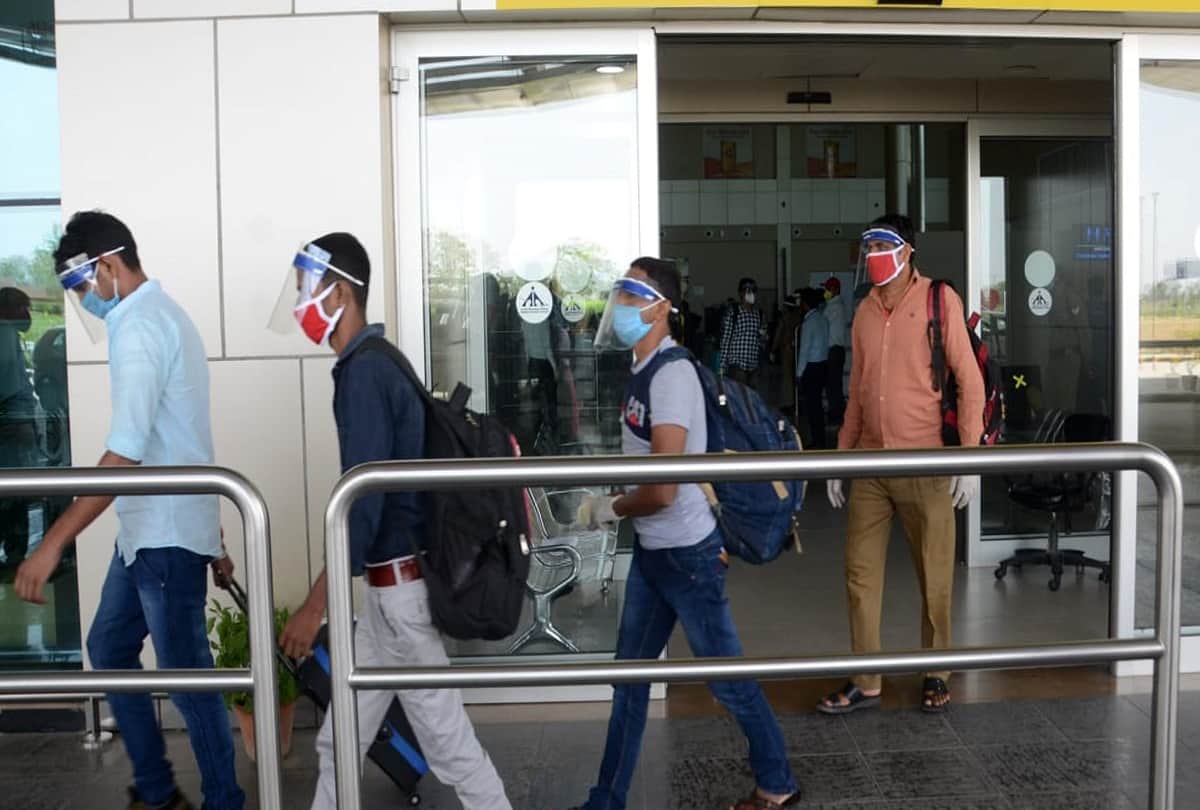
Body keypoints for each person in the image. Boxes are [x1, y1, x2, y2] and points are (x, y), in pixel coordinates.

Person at [273, 233, 511, 810]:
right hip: (386, 598)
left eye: (306, 287)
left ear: (340, 293)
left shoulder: (365, 373)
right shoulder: (375, 364)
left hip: (399, 596)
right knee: (339, 739)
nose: (300, 300)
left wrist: (314, 606)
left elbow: (363, 501)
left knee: (449, 746)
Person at [14, 211, 242, 810]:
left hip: (163, 534)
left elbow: (127, 454)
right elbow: (185, 436)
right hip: (151, 530)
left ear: (108, 267)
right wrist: (214, 537)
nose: (83, 300)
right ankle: (159, 791)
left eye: (81, 286)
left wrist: (53, 541)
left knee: (188, 682)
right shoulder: (165, 315)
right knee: (111, 647)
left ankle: (225, 802)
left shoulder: (140, 328)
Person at [568, 258, 800, 810]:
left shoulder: (671, 375)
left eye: (632, 294)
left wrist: (608, 509)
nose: (621, 304)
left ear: (660, 307)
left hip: (690, 555)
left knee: (726, 682)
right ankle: (606, 800)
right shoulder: (642, 370)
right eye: (620, 293)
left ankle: (778, 782)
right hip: (656, 554)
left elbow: (664, 489)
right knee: (629, 682)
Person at [818, 214, 983, 716]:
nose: (874, 255)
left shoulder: (939, 300)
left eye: (884, 245)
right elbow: (857, 392)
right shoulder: (864, 312)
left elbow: (969, 380)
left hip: (926, 462)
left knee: (934, 577)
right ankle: (866, 680)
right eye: (868, 246)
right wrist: (841, 459)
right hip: (871, 466)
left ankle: (936, 671)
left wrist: (970, 460)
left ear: (908, 250)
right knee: (859, 576)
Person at [0, 287, 39, 571]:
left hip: (15, 421)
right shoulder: (3, 334)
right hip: (11, 425)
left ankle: (14, 556)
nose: (26, 316)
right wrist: (22, 423)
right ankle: (14, 557)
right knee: (14, 493)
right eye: (21, 309)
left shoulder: (9, 335)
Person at [795, 288, 830, 450]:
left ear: (805, 304)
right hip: (823, 365)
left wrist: (799, 374)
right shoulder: (823, 319)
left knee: (812, 407)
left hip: (811, 368)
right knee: (817, 406)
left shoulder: (808, 324)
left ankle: (816, 441)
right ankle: (821, 439)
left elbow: (804, 350)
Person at [720, 276, 767, 389]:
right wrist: (722, 365)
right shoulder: (733, 313)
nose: (750, 293)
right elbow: (726, 340)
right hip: (737, 364)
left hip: (753, 365)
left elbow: (762, 340)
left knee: (751, 398)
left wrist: (763, 336)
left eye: (753, 290)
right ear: (740, 293)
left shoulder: (759, 314)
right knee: (739, 397)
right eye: (747, 290)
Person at [822, 277, 849, 426]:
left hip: (834, 350)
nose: (825, 292)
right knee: (834, 384)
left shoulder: (834, 306)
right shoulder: (834, 305)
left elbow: (823, 321)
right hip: (836, 350)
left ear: (835, 290)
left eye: (828, 289)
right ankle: (837, 412)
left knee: (833, 385)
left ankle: (837, 414)